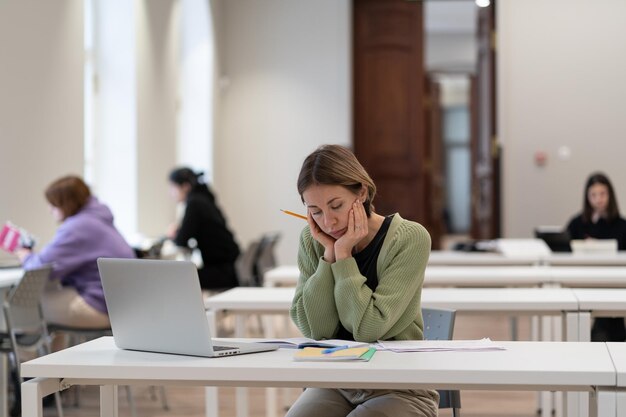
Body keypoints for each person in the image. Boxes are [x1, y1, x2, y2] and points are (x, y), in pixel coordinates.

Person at [287, 145, 439, 417]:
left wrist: (344, 256)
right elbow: (315, 329)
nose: (329, 223)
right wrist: (329, 257)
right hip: (337, 383)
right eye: (316, 211)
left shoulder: (410, 238)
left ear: (362, 193)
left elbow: (369, 328)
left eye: (336, 206)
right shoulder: (312, 241)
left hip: (400, 387)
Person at [15, 175, 136, 329]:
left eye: (53, 204)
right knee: (52, 296)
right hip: (123, 307)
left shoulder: (78, 227)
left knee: (22, 305)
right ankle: (55, 352)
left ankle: (32, 353)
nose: (49, 210)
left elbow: (38, 268)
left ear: (66, 203)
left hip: (101, 307)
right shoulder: (98, 219)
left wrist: (26, 257)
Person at [566, 171, 626, 342]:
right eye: (593, 195)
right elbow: (563, 245)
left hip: (614, 284)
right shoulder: (578, 223)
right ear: (587, 197)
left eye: (602, 194)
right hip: (583, 282)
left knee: (608, 319)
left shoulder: (622, 225)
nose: (598, 199)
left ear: (610, 195)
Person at [167, 167, 240, 290]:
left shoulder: (194, 203)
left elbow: (181, 240)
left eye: (172, 187)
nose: (170, 193)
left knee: (175, 279)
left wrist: (173, 233)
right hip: (231, 268)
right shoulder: (205, 199)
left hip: (222, 272)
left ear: (185, 186)